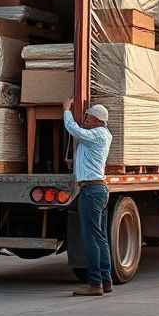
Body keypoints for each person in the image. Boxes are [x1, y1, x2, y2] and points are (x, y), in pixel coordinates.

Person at [62, 97, 114, 296]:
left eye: (88, 117)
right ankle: (106, 280)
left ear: (99, 121)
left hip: (91, 191)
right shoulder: (98, 135)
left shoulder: (98, 135)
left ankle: (94, 283)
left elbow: (73, 129)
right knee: (100, 237)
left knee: (91, 238)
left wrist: (66, 109)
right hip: (96, 190)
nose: (85, 119)